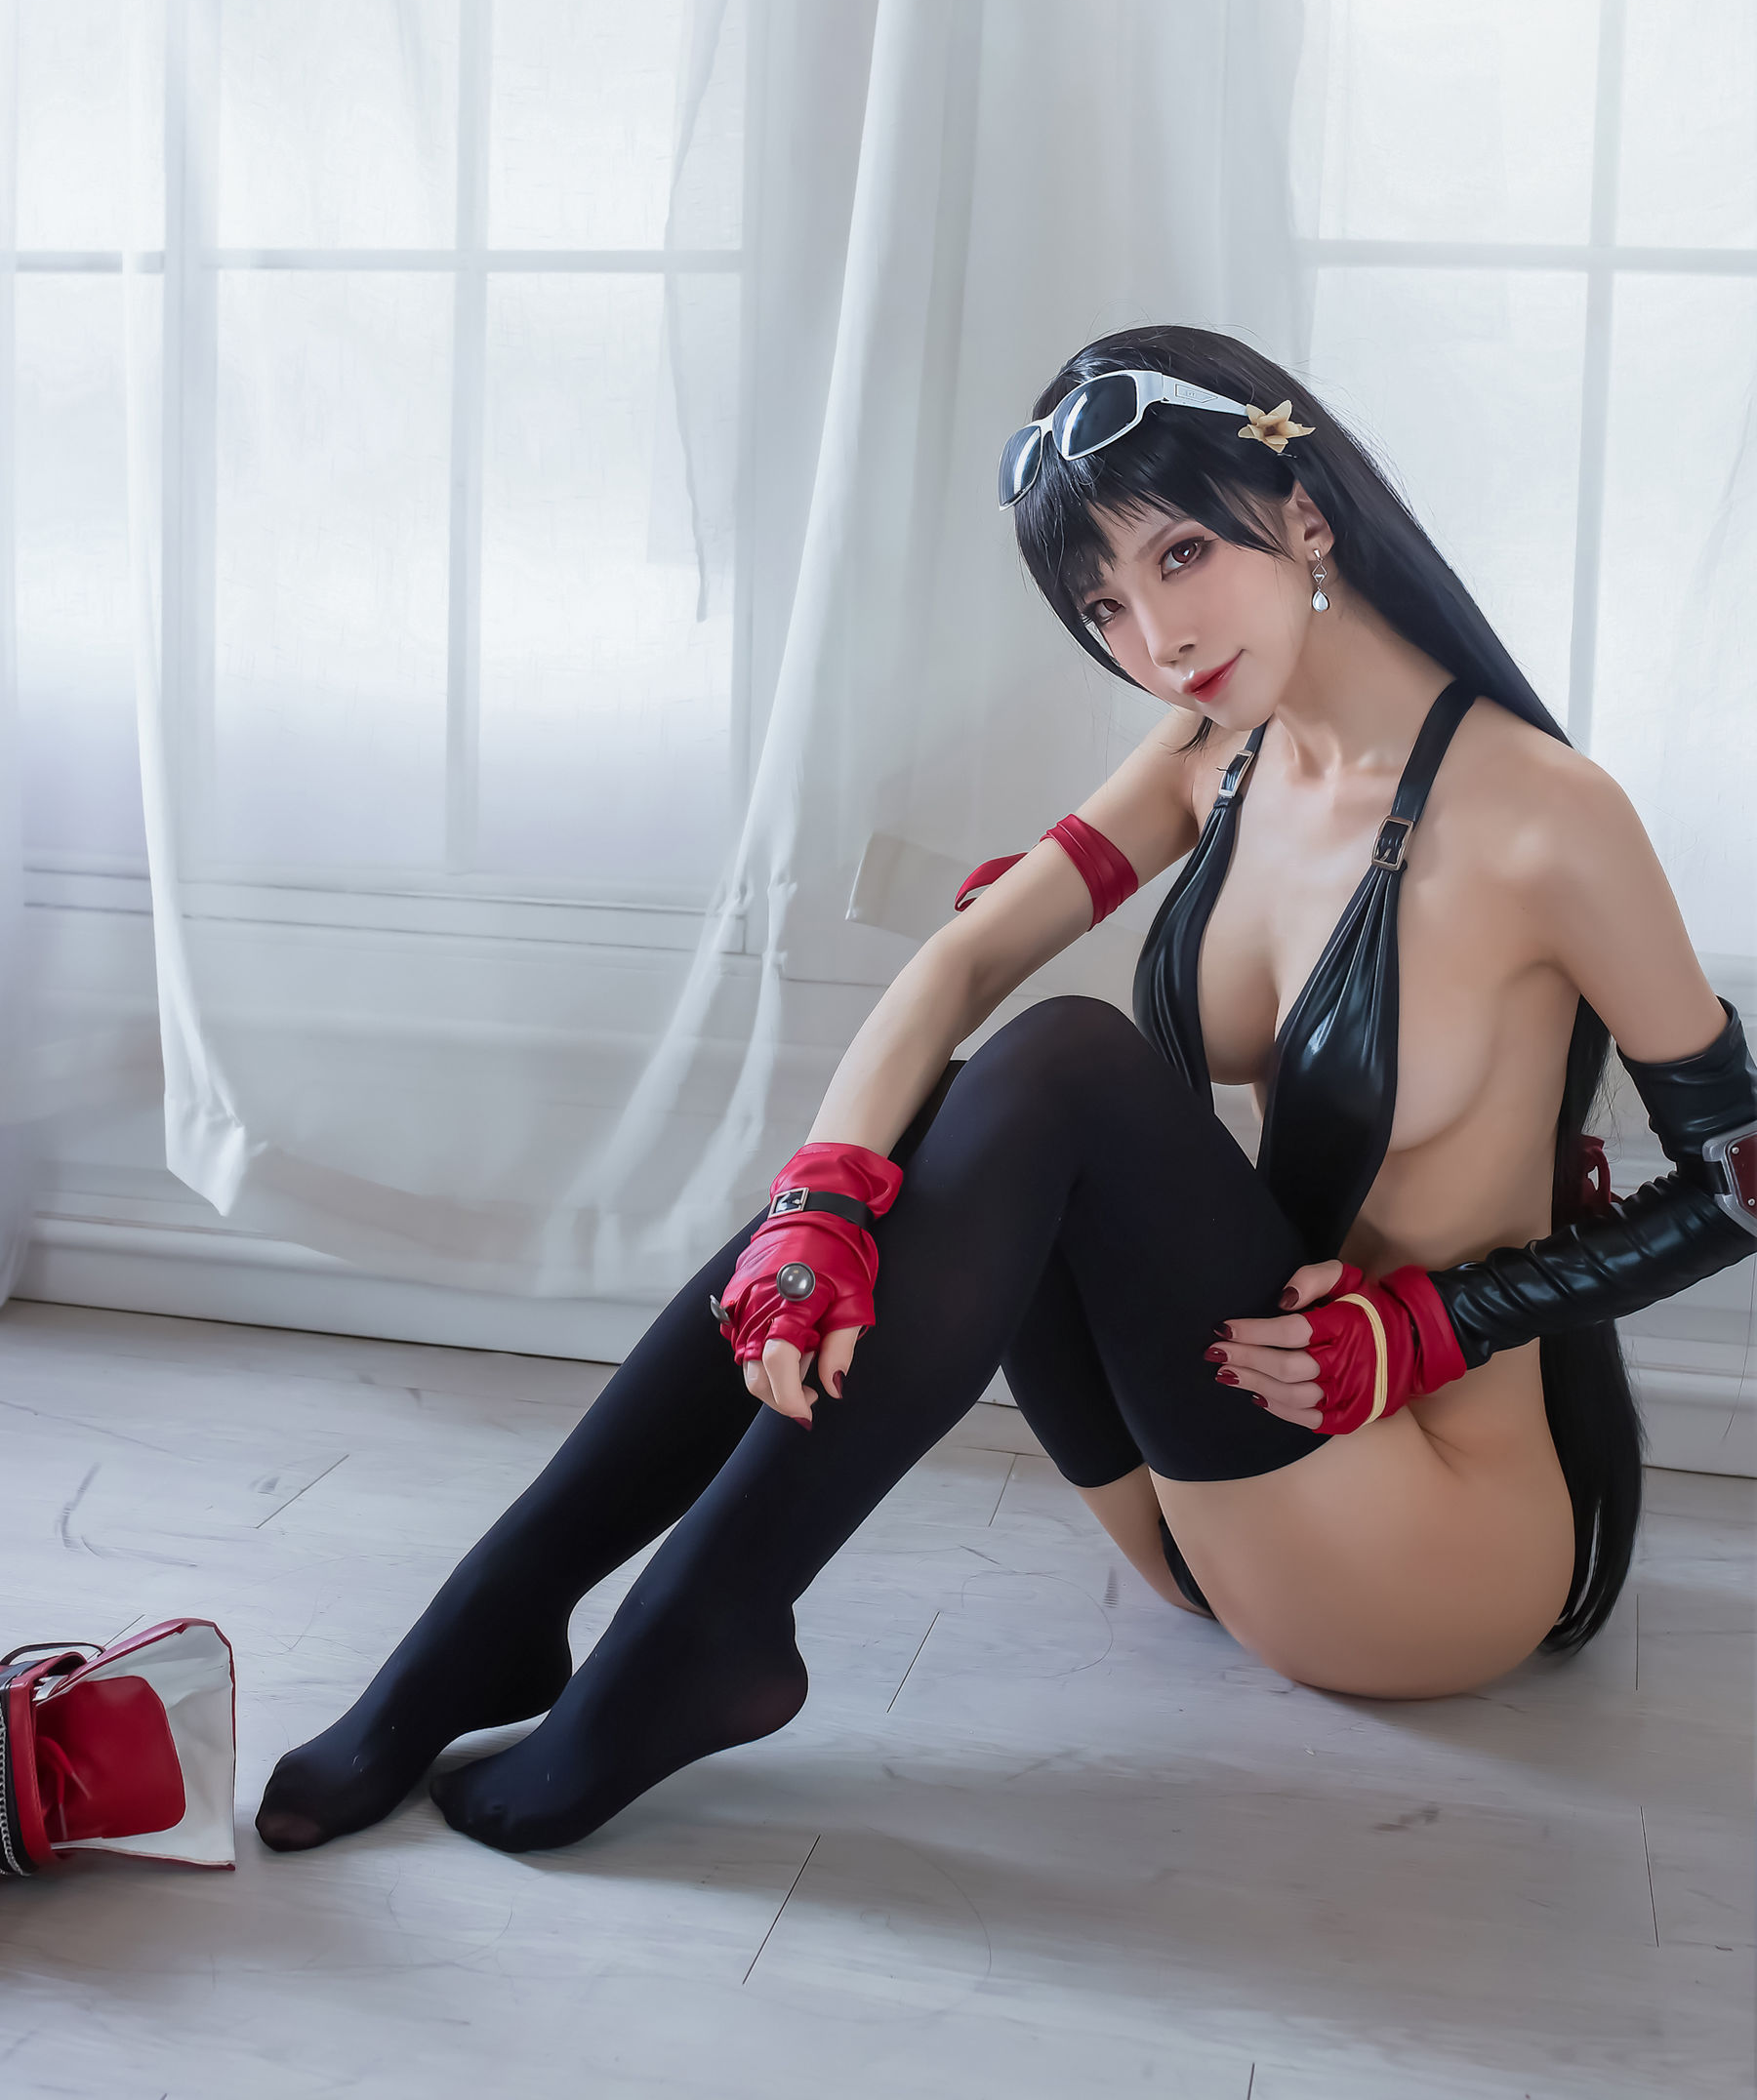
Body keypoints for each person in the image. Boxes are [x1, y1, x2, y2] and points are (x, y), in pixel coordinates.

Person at [257, 326, 1756, 1859]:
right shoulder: (1216, 757)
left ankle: (691, 1634)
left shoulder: (1545, 818)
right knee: (959, 1099)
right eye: (1105, 605)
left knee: (1060, 1069)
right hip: (1203, 1493)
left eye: (1182, 554)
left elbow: (1741, 1182)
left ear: (1305, 511)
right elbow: (964, 960)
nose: (1158, 638)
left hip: (1419, 1549)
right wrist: (815, 1211)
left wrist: (1445, 1321)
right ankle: (503, 1615)